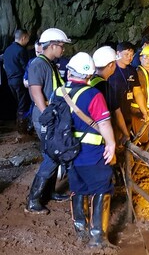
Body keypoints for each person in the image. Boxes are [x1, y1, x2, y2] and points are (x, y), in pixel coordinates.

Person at [58, 52, 117, 248]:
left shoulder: (58, 92)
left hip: (68, 153)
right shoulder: (93, 94)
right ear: (90, 76)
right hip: (90, 153)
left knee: (78, 188)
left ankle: (80, 229)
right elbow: (104, 123)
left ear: (69, 72)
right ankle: (98, 238)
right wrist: (111, 144)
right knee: (102, 188)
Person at [25, 28, 71, 214]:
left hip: (52, 115)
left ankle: (49, 192)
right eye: (62, 46)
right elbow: (35, 91)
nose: (63, 50)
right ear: (52, 45)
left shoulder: (50, 64)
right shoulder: (38, 64)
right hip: (45, 117)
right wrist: (47, 115)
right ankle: (33, 199)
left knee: (54, 155)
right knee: (52, 156)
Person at [107, 41, 149, 143]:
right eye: (126, 54)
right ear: (117, 53)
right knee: (113, 139)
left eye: (131, 55)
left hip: (126, 110)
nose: (129, 57)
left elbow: (137, 92)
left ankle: (125, 157)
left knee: (124, 140)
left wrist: (144, 111)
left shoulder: (132, 70)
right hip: (111, 112)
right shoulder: (110, 69)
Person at [91, 46, 129, 146]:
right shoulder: (105, 86)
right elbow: (117, 113)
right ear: (111, 65)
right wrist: (125, 134)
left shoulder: (89, 80)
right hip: (101, 135)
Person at [2, 29, 31, 135]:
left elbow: (5, 66)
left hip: (10, 81)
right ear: (23, 38)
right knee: (23, 104)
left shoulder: (7, 50)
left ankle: (19, 127)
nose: (28, 41)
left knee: (19, 103)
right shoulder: (21, 50)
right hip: (20, 81)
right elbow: (26, 67)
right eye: (27, 38)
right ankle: (22, 130)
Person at [132, 45, 149, 152]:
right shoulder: (138, 73)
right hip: (139, 110)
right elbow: (137, 93)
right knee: (141, 136)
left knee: (147, 134)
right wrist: (144, 110)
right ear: (140, 58)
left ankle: (146, 156)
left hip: (148, 108)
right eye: (146, 58)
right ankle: (140, 161)